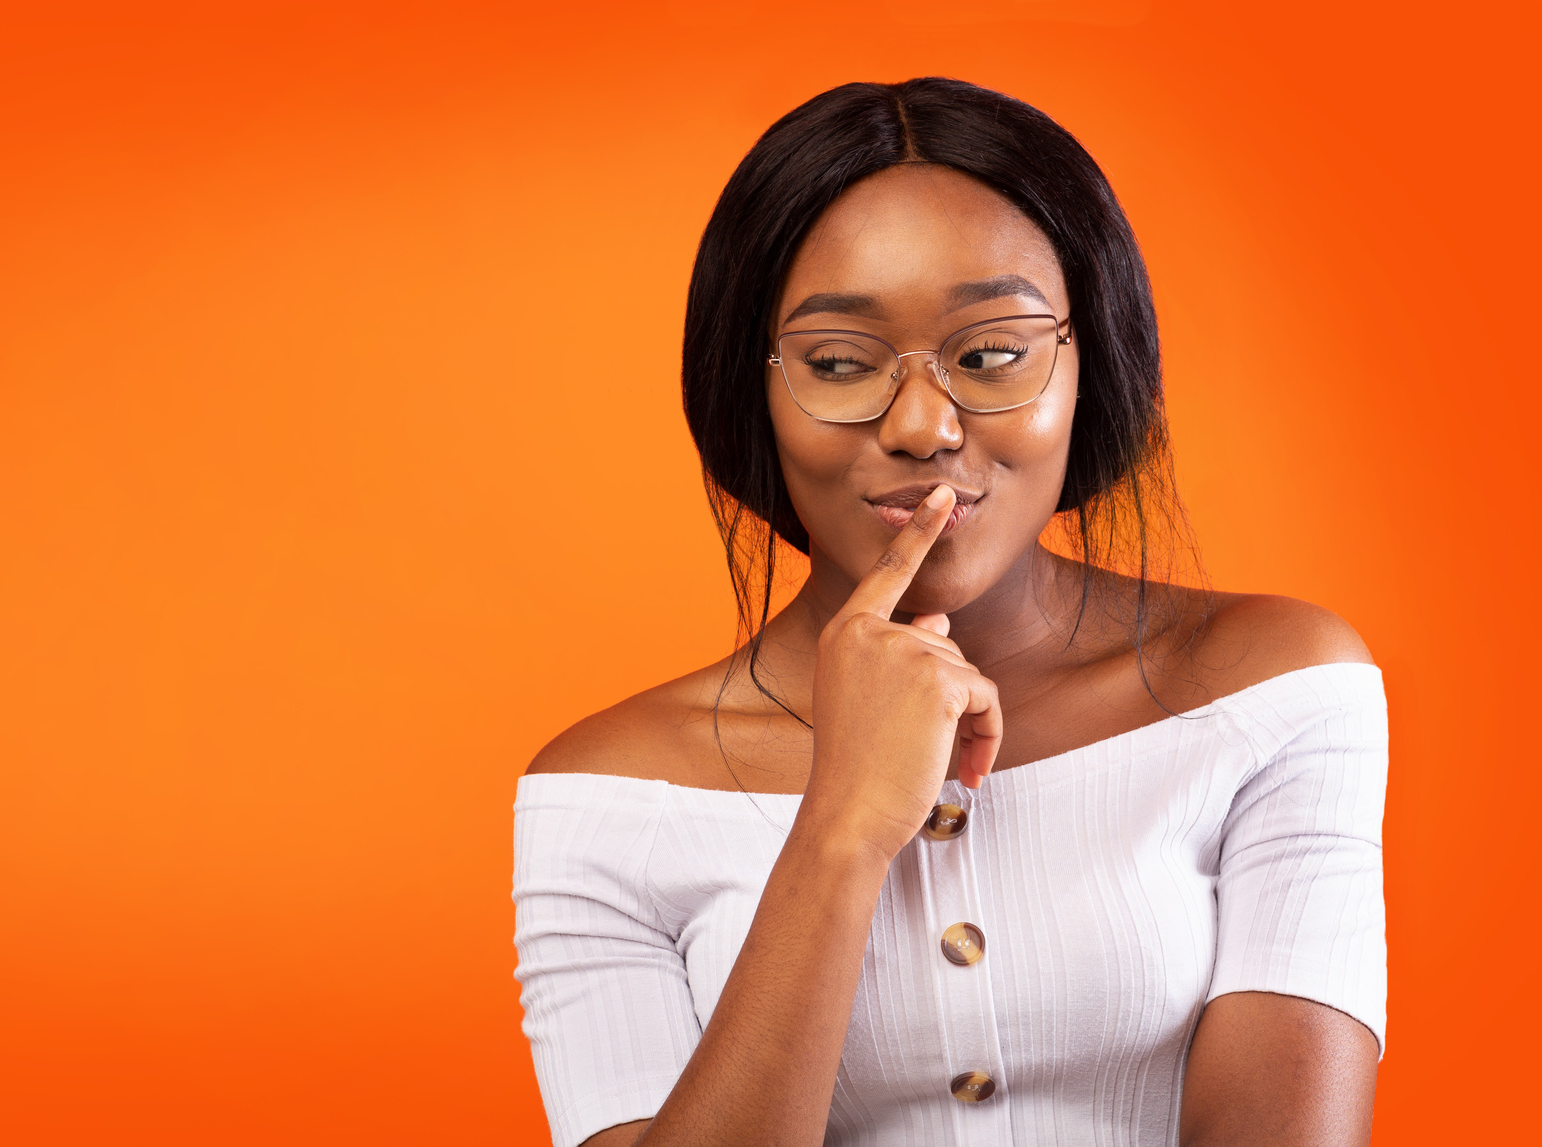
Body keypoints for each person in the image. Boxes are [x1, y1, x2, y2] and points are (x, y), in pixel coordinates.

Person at [511, 78, 1385, 1147]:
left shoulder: (1277, 691)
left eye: (991, 355)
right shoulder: (601, 800)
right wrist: (841, 829)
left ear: (1090, 360)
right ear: (755, 391)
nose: (924, 426)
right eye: (838, 364)